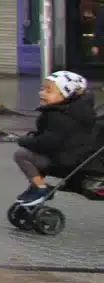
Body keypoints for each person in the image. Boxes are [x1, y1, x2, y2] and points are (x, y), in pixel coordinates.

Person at [14, 71, 98, 205]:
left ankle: (40, 188)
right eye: (42, 89)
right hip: (72, 158)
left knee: (22, 154)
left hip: (65, 161)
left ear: (67, 95)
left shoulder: (60, 116)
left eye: (49, 91)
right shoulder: (75, 112)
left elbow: (47, 142)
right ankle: (36, 186)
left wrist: (24, 141)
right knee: (33, 153)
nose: (42, 93)